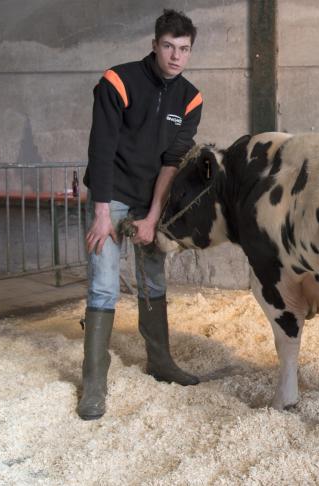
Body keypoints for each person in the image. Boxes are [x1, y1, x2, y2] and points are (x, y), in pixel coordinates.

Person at [78, 9, 203, 420]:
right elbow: (101, 148)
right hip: (111, 195)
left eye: (184, 49)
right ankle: (94, 383)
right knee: (103, 286)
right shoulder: (118, 81)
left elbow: (172, 161)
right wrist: (102, 214)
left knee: (153, 279)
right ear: (154, 45)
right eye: (168, 46)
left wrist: (152, 218)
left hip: (150, 201)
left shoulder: (191, 98)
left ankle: (161, 363)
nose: (176, 56)